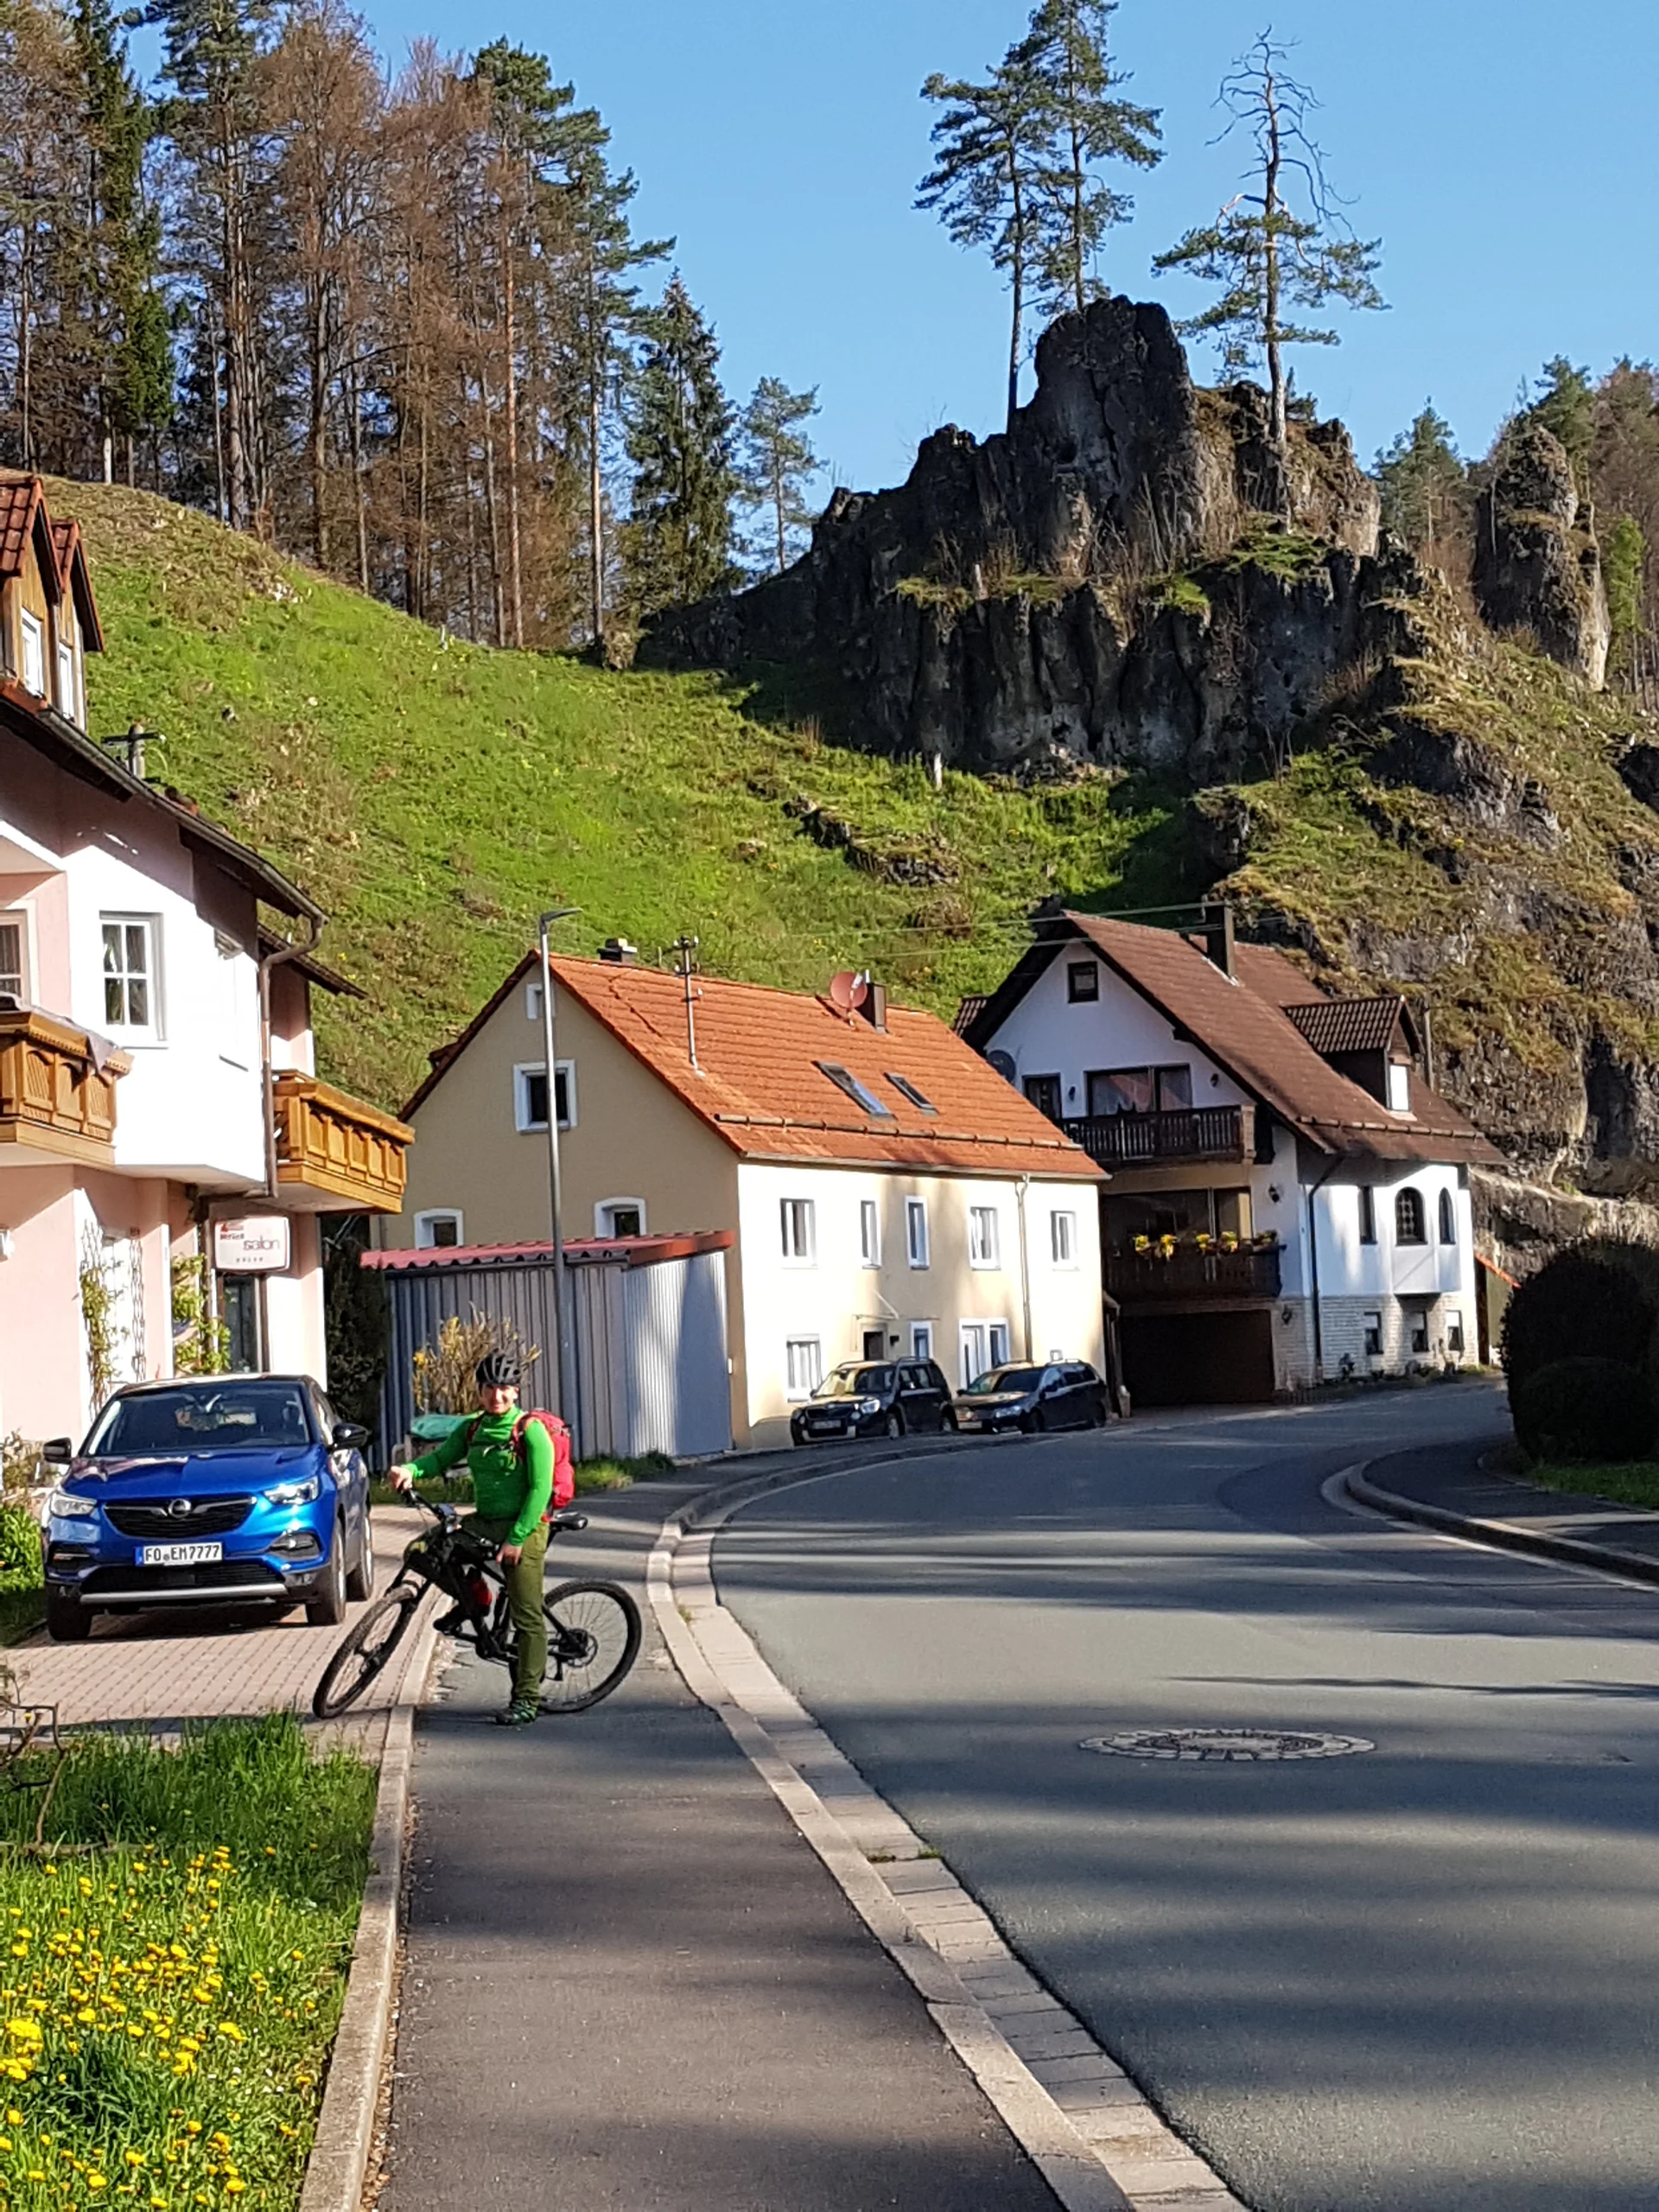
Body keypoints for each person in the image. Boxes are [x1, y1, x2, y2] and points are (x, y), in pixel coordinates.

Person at [388, 1351, 553, 1726]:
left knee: (527, 1615)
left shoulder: (530, 1430)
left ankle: (527, 1698)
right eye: (489, 1388)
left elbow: (540, 1488)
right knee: (422, 1552)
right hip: (485, 1521)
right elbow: (440, 1460)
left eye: (504, 1389)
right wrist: (410, 1469)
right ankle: (476, 1599)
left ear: (515, 1392)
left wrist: (516, 1539)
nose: (497, 1396)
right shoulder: (473, 1428)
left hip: (526, 1524)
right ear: (479, 1392)